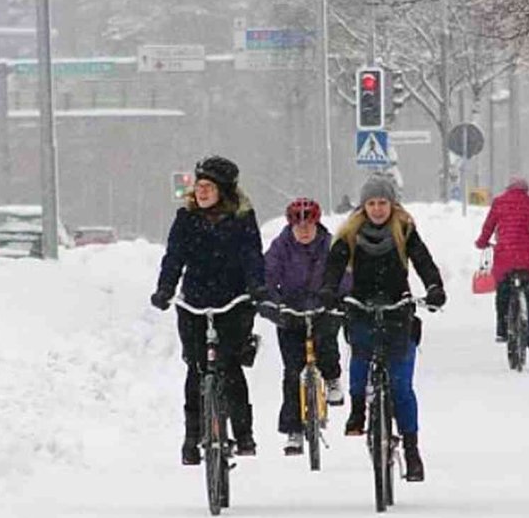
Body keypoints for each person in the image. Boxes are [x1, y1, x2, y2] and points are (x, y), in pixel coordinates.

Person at [319, 173, 445, 482]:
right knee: (360, 362)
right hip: (361, 305)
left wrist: (434, 287)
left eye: (383, 203)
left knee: (401, 384)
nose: (377, 209)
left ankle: (412, 452)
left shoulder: (404, 229)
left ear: (392, 204)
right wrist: (328, 291)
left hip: (397, 309)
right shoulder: (351, 232)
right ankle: (359, 409)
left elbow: (423, 261)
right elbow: (334, 266)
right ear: (363, 207)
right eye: (371, 203)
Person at [151, 155, 267, 466]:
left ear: (224, 191)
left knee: (229, 366)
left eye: (209, 187)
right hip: (195, 302)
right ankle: (192, 436)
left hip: (234, 301)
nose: (201, 192)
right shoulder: (186, 219)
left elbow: (253, 257)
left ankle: (243, 434)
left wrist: (258, 288)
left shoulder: (241, 219)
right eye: (199, 186)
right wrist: (165, 289)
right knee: (197, 367)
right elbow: (174, 257)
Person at [260, 197, 347, 455]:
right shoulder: (280, 247)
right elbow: (267, 278)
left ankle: (331, 378)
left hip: (323, 305)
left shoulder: (330, 246)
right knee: (292, 371)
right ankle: (293, 430)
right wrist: (273, 305)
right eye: (298, 226)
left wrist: (337, 298)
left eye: (308, 224)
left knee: (326, 343)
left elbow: (344, 274)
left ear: (317, 223)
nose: (304, 230)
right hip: (291, 310)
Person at [475, 176, 529, 347]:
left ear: (508, 188)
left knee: (503, 292)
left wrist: (482, 242)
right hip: (526, 257)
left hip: (505, 256)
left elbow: (489, 226)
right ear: (526, 189)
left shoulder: (499, 203)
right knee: (527, 294)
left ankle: (502, 329)